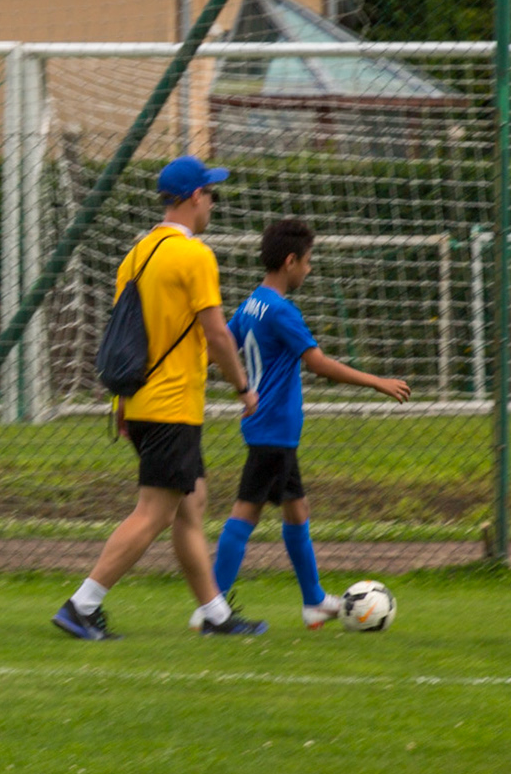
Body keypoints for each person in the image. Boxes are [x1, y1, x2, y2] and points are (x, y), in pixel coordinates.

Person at [51, 156, 262, 641]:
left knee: (191, 503)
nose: (212, 203)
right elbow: (217, 334)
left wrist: (121, 403)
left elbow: (126, 336)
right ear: (194, 197)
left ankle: (216, 615)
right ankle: (82, 605)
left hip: (138, 403)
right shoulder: (194, 255)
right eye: (210, 194)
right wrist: (244, 388)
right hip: (172, 405)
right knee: (155, 512)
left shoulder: (137, 254)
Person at [212, 218, 412, 629]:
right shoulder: (282, 311)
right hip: (273, 428)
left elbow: (223, 346)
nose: (310, 268)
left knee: (297, 509)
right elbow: (317, 363)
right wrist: (376, 382)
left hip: (271, 428)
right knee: (245, 513)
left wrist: (243, 387)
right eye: (307, 261)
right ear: (290, 261)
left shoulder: (251, 304)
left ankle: (314, 601)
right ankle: (211, 607)